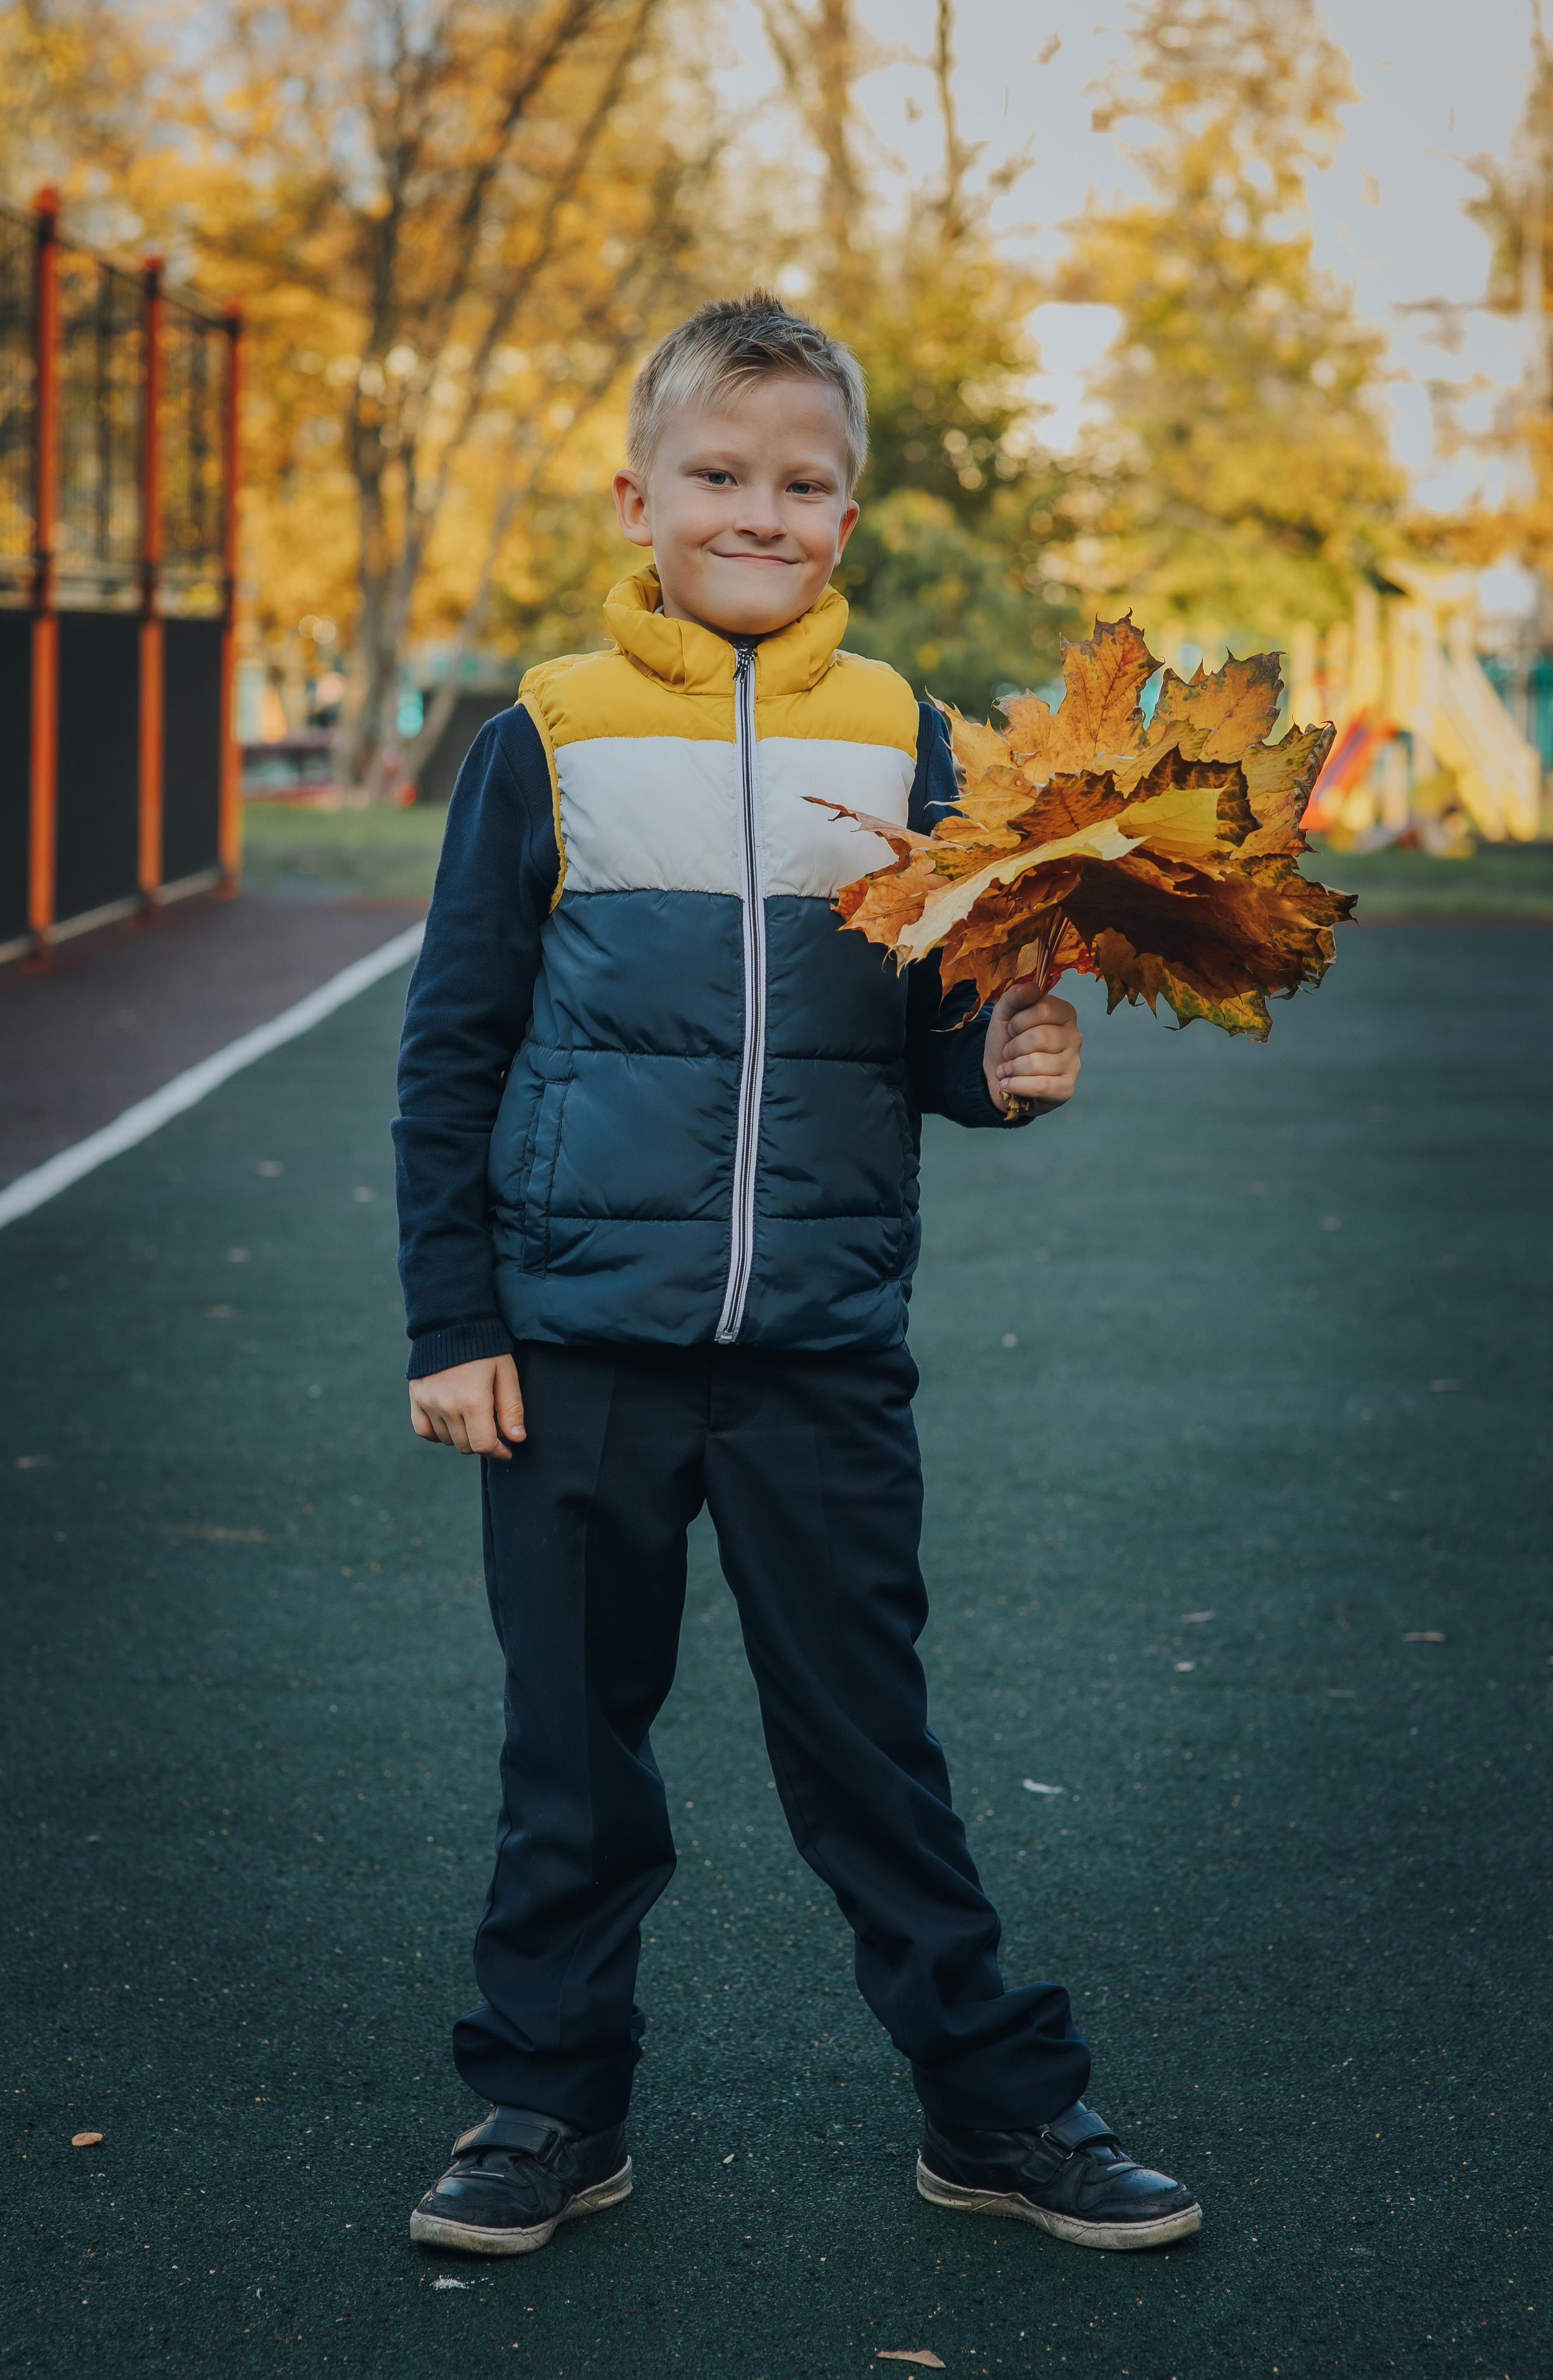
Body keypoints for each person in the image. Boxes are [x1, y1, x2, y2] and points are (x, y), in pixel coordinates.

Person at [392, 292, 1200, 2260]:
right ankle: (549, 2106)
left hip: (822, 1351)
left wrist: (1001, 1071)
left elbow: (921, 1034)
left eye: (803, 482)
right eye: (721, 476)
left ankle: (995, 2108)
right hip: (577, 1348)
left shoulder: (906, 732)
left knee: (873, 1743)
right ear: (642, 495)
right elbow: (456, 1045)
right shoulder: (551, 733)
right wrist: (454, 1319)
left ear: (848, 510)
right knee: (574, 1750)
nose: (762, 511)